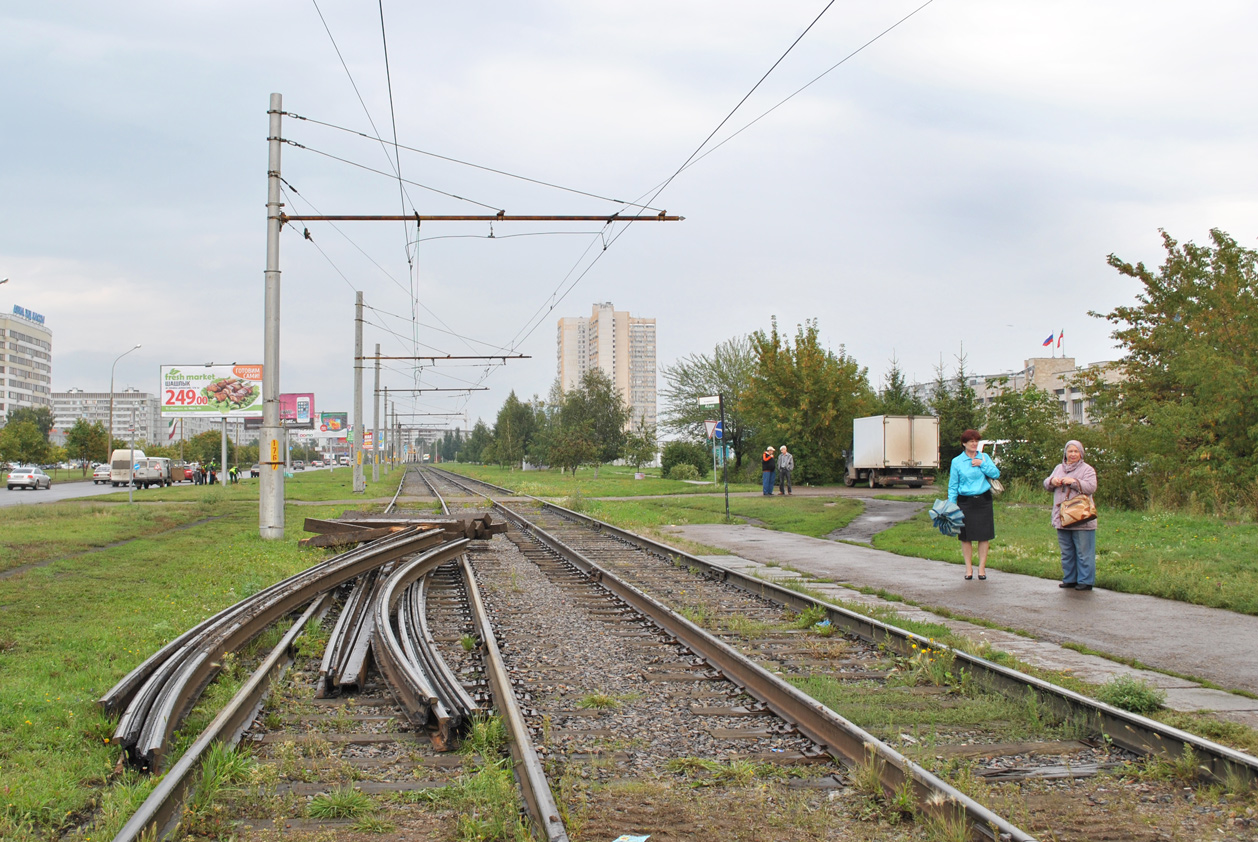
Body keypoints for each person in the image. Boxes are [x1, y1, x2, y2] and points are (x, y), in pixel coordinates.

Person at [1043, 439, 1098, 591]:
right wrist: (1052, 481)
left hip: (1082, 518)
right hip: (1062, 517)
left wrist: (1074, 482)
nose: (1073, 454)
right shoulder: (1059, 468)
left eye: (1076, 451)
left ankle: (1085, 581)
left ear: (1081, 453)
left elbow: (1091, 487)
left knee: (1083, 552)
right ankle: (1070, 578)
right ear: (1065, 453)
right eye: (1070, 451)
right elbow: (1046, 483)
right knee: (1067, 551)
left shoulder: (1087, 469)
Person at [947, 429, 1000, 580]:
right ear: (964, 443)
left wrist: (982, 465)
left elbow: (996, 474)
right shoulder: (957, 462)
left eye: (976, 441)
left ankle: (982, 569)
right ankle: (968, 569)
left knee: (984, 536)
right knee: (966, 536)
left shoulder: (984, 457)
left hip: (983, 500)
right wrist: (951, 506)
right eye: (971, 441)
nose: (974, 444)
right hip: (965, 502)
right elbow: (953, 486)